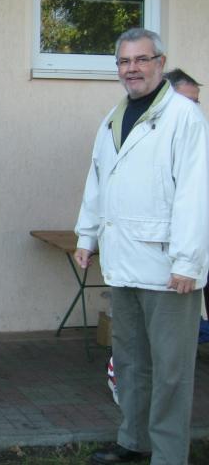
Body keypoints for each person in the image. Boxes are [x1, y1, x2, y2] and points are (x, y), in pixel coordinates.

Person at [74, 29, 208, 465]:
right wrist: (86, 236)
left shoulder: (184, 117)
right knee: (130, 362)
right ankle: (133, 441)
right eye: (124, 61)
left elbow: (195, 193)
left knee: (171, 372)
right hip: (123, 261)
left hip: (169, 268)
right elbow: (98, 180)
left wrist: (188, 261)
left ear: (160, 63)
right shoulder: (114, 117)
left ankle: (168, 456)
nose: (132, 68)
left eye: (141, 59)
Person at [163, 69, 209, 321]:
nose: (192, 108)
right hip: (174, 247)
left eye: (196, 101)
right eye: (186, 100)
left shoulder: (198, 129)